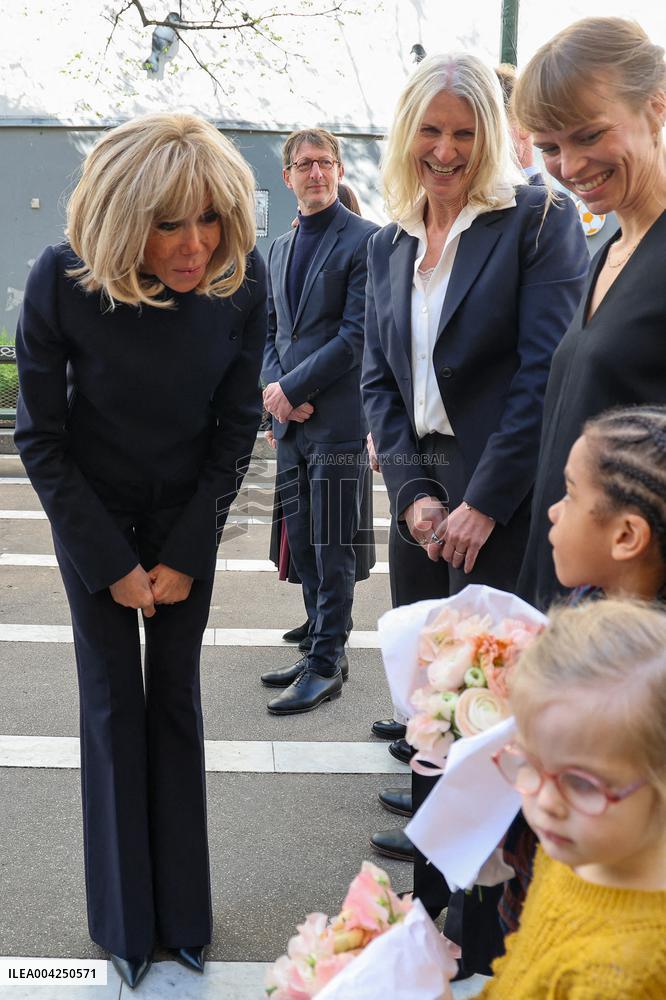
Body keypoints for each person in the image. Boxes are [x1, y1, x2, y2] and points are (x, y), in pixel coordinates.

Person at [13, 113, 266, 990]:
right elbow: (40, 439)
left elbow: (238, 427)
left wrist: (191, 549)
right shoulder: (61, 282)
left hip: (187, 516)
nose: (194, 245)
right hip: (94, 518)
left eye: (209, 219)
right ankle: (124, 923)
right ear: (125, 220)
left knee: (176, 705)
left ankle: (185, 918)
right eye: (168, 224)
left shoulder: (241, 278)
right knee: (114, 705)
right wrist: (109, 562)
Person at [360, 51, 589, 956]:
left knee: (494, 717)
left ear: (490, 135)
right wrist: (415, 495)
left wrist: (483, 502)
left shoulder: (536, 220)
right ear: (406, 135)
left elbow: (544, 375)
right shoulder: (389, 241)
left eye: (463, 133)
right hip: (423, 501)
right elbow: (379, 375)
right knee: (428, 711)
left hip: (505, 500)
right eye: (430, 131)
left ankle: (496, 940)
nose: (446, 152)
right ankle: (430, 923)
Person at [515, 16, 666, 610]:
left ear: (656, 105)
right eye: (550, 147)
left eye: (589, 135)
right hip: (573, 595)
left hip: (634, 621)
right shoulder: (607, 251)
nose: (570, 166)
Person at [501, 402, 666, 934]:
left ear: (626, 536)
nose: (553, 510)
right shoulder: (580, 606)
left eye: (570, 493)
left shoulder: (645, 677)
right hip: (539, 894)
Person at [480, 599, 666, 997]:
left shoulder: (623, 977)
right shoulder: (575, 849)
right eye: (529, 762)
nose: (546, 802)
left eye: (582, 783)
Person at [260, 128, 378, 714]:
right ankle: (317, 641)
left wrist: (294, 388)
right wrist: (274, 390)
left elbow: (357, 336)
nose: (315, 172)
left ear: (336, 170)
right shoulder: (277, 250)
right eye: (304, 164)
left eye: (324, 163)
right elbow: (270, 333)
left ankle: (328, 663)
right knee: (302, 543)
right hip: (291, 424)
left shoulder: (365, 241)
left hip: (335, 421)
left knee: (333, 545)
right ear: (287, 177)